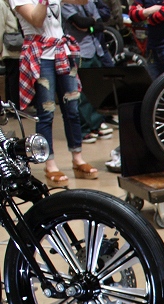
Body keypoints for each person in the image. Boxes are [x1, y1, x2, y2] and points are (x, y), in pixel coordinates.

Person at [11, 0, 99, 187]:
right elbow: (36, 20)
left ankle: (77, 158)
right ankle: (49, 164)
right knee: (46, 112)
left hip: (62, 51)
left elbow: (82, 1)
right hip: (40, 54)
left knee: (72, 109)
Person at [62, 0, 114, 142]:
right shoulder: (66, 3)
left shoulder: (89, 1)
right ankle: (85, 128)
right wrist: (90, 23)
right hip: (78, 52)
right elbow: (80, 21)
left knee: (97, 90)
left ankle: (96, 125)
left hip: (95, 50)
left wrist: (88, 26)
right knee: (82, 94)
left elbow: (99, 25)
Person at [128, 0, 164, 78]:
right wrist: (151, 10)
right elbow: (132, 15)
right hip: (152, 47)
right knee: (153, 83)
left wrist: (144, 15)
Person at [0, 0, 21, 104]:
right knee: (13, 78)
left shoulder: (11, 4)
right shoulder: (1, 4)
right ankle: (14, 105)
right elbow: (0, 28)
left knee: (12, 77)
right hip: (9, 47)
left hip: (15, 46)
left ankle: (11, 105)